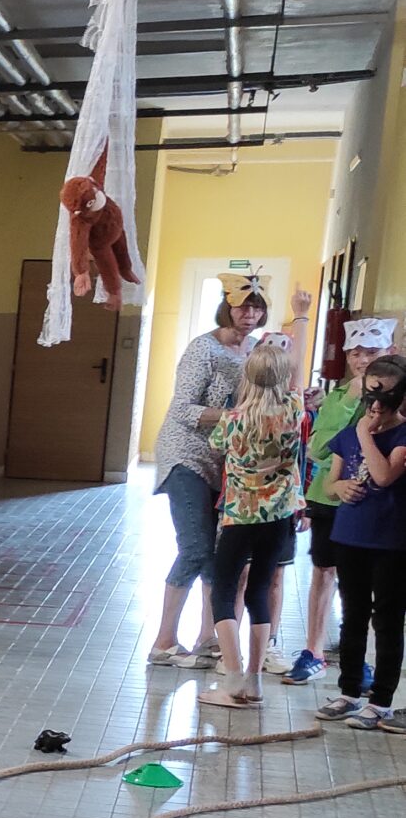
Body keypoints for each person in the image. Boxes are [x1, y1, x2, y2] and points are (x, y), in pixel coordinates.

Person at [147, 288, 265, 667]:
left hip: (225, 462)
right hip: (185, 455)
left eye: (257, 307)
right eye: (242, 306)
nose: (249, 314)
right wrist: (236, 417)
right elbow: (182, 408)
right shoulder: (203, 349)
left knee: (217, 551)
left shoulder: (255, 350)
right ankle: (164, 642)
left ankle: (208, 637)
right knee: (195, 548)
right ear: (227, 308)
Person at [285, 316, 395, 684]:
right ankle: (314, 650)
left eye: (372, 352)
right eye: (356, 353)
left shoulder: (399, 398)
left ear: (391, 351)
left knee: (369, 585)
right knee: (324, 570)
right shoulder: (337, 396)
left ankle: (364, 660)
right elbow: (318, 448)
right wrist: (350, 401)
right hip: (330, 497)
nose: (363, 361)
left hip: (378, 504)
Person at [199, 333, 305, 712]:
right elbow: (297, 379)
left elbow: (215, 447)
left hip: (239, 517)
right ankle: (255, 682)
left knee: (223, 592)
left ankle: (232, 681)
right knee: (259, 591)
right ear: (284, 377)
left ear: (247, 376)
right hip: (278, 518)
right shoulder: (294, 410)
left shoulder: (233, 421)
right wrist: (301, 319)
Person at [315, 352, 406, 734]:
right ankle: (349, 691)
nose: (376, 407)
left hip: (390, 542)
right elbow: (329, 484)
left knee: (387, 619)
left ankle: (381, 700)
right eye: (371, 397)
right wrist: (339, 486)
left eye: (386, 398)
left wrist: (366, 434)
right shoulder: (348, 434)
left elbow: (384, 476)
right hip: (350, 535)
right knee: (352, 615)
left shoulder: (400, 435)